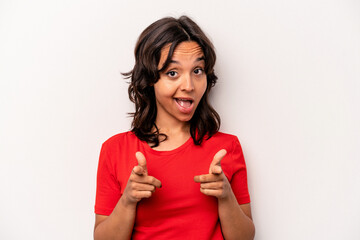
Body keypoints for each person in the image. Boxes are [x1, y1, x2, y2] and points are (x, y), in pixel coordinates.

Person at [94, 15, 255, 240]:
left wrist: (226, 197)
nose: (189, 86)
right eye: (173, 73)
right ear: (150, 79)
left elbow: (245, 237)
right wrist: (128, 200)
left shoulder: (227, 148)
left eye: (197, 71)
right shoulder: (115, 150)